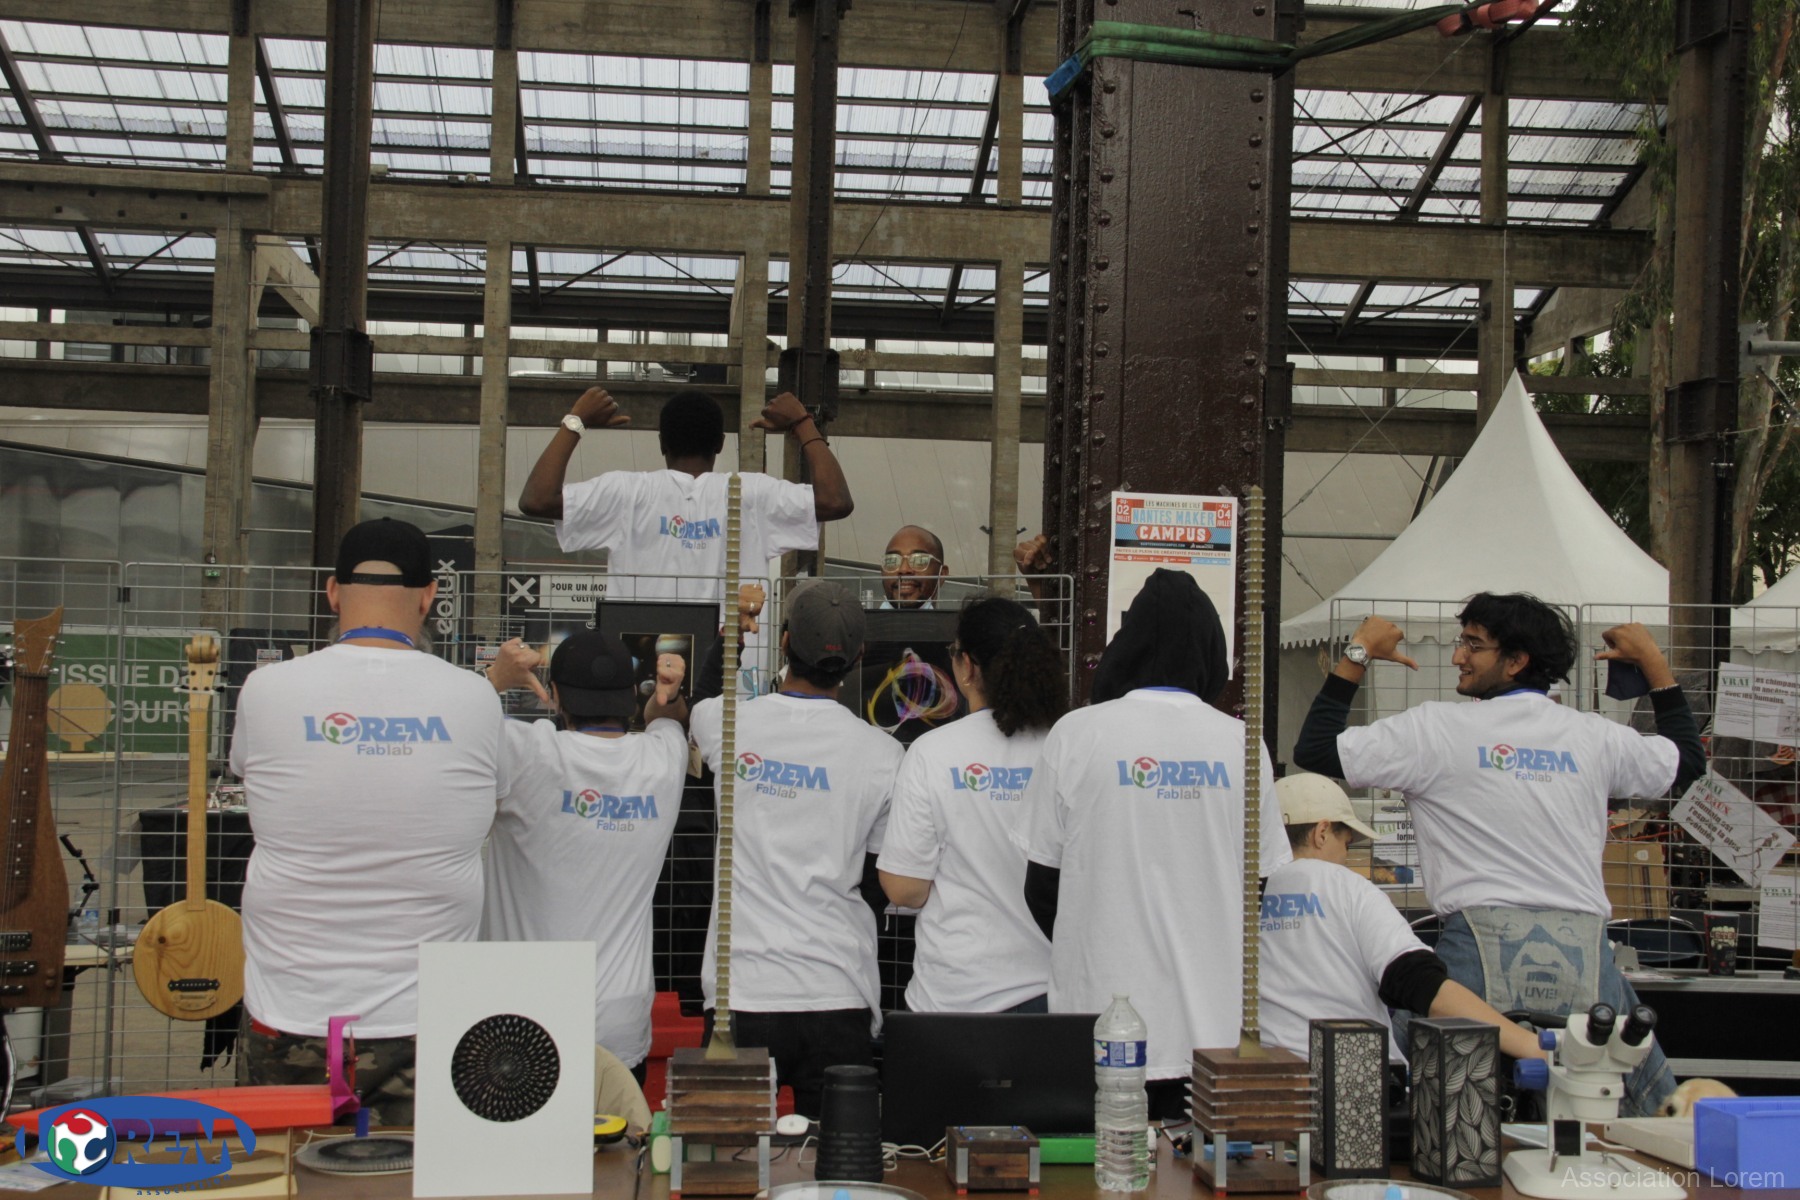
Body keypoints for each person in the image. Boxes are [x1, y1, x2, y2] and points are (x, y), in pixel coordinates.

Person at [1291, 593, 1706, 1116]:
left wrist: (1360, 651)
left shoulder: (1435, 730)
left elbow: (1316, 749)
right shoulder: (1594, 736)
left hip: (1476, 954)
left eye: (1473, 645)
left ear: (1516, 661)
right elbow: (1686, 762)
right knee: (1613, 1118)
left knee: (1444, 1125)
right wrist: (1653, 662)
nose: (1457, 656)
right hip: (1585, 959)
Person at [228, 518, 509, 1124]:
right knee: (418, 1172)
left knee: (290, 1171)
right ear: (429, 596)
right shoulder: (474, 698)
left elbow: (247, 771)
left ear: (333, 592)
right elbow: (494, 796)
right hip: (429, 1019)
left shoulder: (265, 689)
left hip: (293, 1011)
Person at [1018, 568, 1289, 1117]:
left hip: (1098, 1027)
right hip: (1210, 1041)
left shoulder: (1077, 733)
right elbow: (1259, 887)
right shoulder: (1243, 743)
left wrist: (1096, 940)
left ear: (1125, 646)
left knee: (1104, 1163)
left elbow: (1041, 884)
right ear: (1212, 651)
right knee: (1198, 1165)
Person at [688, 582, 904, 1117]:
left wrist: (732, 637)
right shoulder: (884, 754)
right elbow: (877, 878)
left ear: (784, 642)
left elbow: (699, 701)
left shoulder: (728, 722)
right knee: (836, 1159)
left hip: (741, 992)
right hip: (837, 987)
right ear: (858, 657)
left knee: (730, 1158)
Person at [481, 630, 688, 1081]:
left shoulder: (524, 750)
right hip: (619, 1023)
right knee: (614, 1132)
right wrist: (668, 695)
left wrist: (495, 679)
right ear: (630, 695)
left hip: (523, 1021)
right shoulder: (662, 760)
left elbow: (453, 730)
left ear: (555, 695)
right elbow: (666, 719)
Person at [1259, 773, 1546, 1065]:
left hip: (1259, 1073)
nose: (1346, 856)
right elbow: (1418, 982)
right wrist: (1533, 1046)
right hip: (1351, 1078)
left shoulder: (1246, 895)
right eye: (1347, 844)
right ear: (1321, 833)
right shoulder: (1348, 888)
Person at [877, 597, 1066, 1013]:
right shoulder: (1066, 745)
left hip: (953, 997)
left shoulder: (932, 752)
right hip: (1052, 995)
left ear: (967, 667)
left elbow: (904, 889)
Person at [516, 386, 853, 604]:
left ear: (662, 443)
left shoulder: (626, 492)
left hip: (645, 676)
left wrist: (575, 422)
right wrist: (802, 423)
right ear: (720, 444)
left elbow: (536, 500)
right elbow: (835, 501)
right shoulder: (752, 493)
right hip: (732, 680)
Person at [880, 525, 948, 609]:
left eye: (919, 560)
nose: (904, 569)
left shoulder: (955, 618)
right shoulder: (865, 617)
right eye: (892, 561)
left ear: (941, 574)